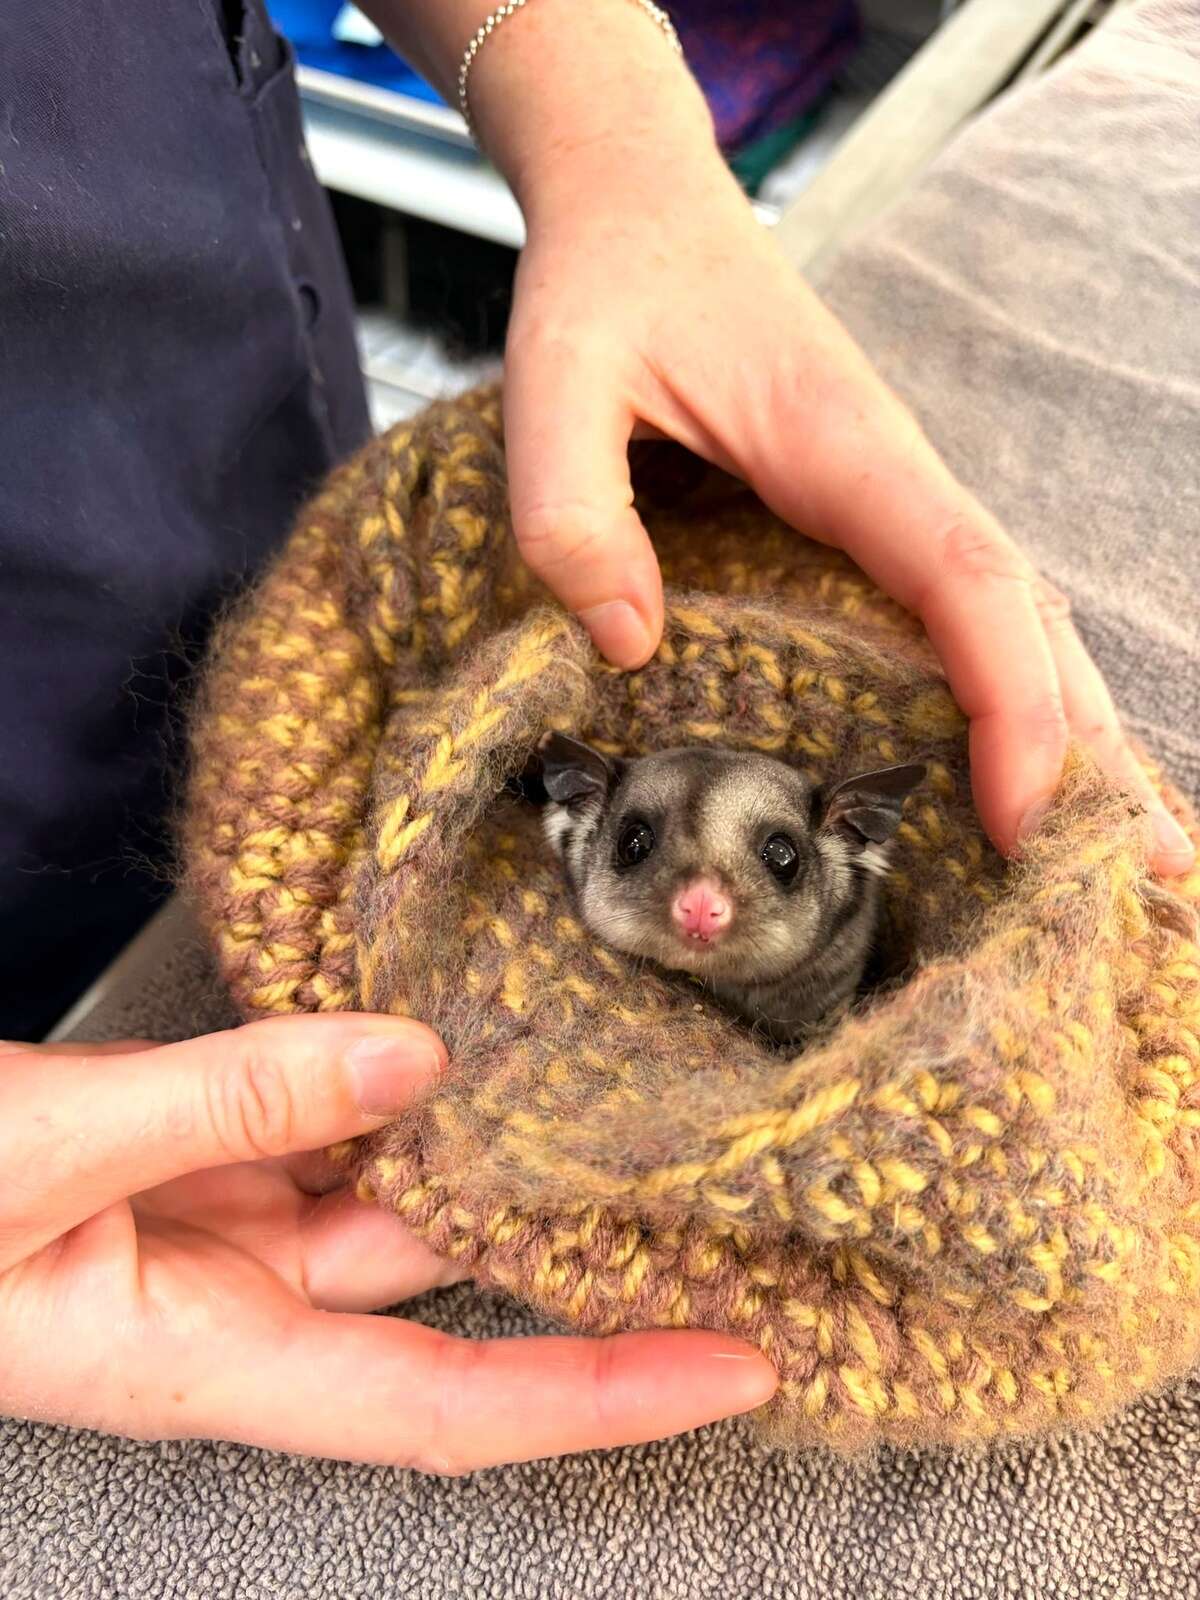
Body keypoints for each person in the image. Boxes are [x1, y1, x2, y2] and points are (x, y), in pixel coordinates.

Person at [0, 0, 1191, 1471]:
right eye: (646, 847)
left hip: (181, 332)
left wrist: (609, 126)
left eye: (765, 858)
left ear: (850, 844)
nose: (704, 897)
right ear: (570, 820)